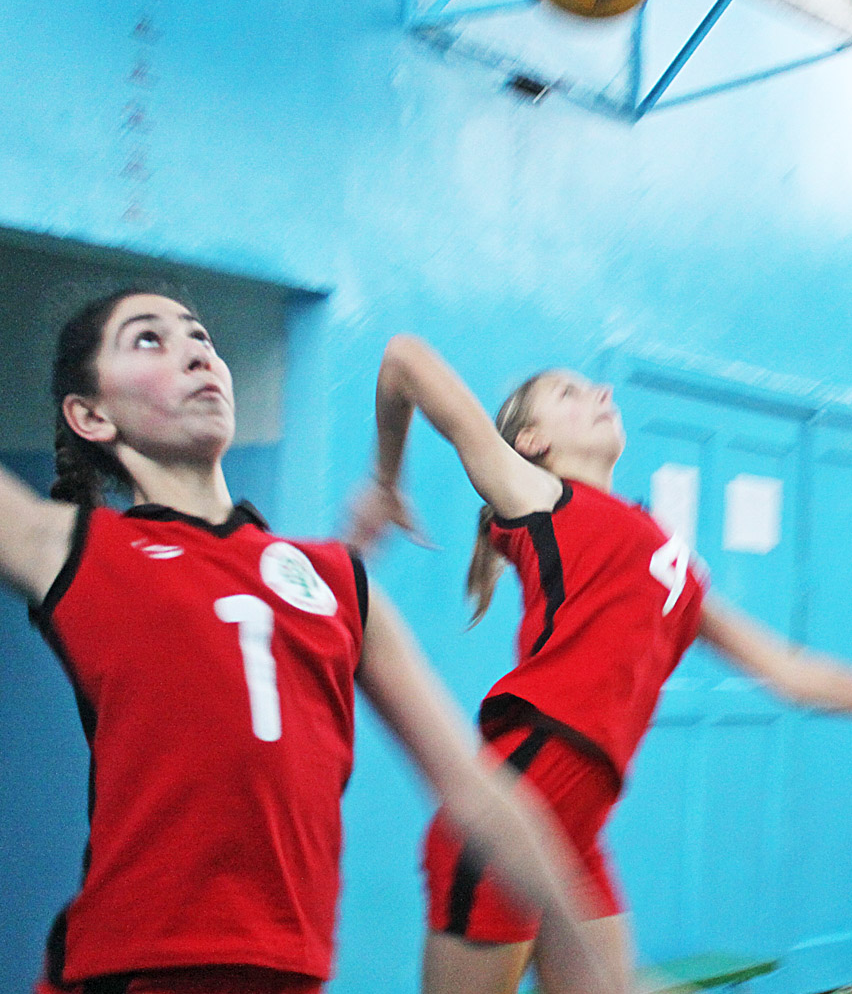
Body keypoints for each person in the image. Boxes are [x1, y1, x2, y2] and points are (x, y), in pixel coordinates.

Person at [6, 290, 619, 994]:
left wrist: (578, 940)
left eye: (201, 336)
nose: (196, 353)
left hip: (289, 974)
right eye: (149, 339)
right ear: (91, 415)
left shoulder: (337, 581)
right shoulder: (73, 547)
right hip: (130, 972)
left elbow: (474, 788)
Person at [348, 333, 852, 994]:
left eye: (593, 388)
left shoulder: (668, 556)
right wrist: (386, 482)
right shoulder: (537, 495)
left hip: (578, 829)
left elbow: (789, 671)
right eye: (570, 393)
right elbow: (404, 359)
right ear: (530, 442)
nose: (602, 394)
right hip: (517, 803)